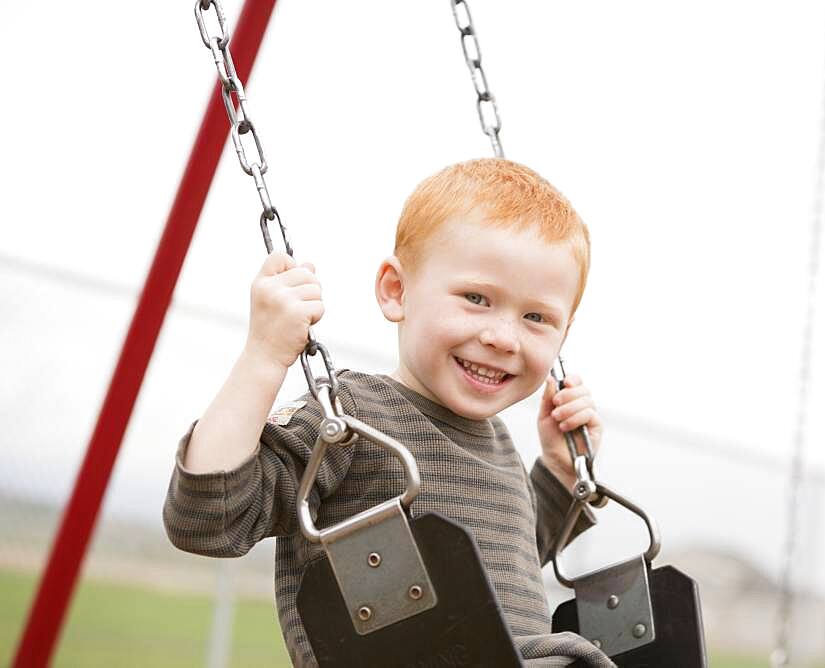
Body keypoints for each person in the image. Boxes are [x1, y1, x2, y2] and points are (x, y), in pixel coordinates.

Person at [163, 158, 614, 667]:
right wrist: (264, 356)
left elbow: (503, 575)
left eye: (536, 317)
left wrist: (558, 470)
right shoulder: (354, 418)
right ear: (396, 291)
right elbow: (208, 519)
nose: (502, 337)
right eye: (476, 298)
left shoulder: (499, 442)